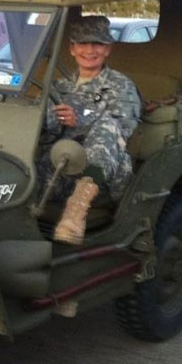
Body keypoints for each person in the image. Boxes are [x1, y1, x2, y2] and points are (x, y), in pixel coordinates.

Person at [37, 15, 142, 245]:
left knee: (109, 125)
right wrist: (53, 121)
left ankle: (76, 211)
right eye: (83, 44)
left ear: (108, 49)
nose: (90, 50)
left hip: (100, 176)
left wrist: (79, 122)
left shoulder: (120, 86)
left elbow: (123, 128)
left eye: (98, 44)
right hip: (57, 169)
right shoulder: (57, 87)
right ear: (72, 49)